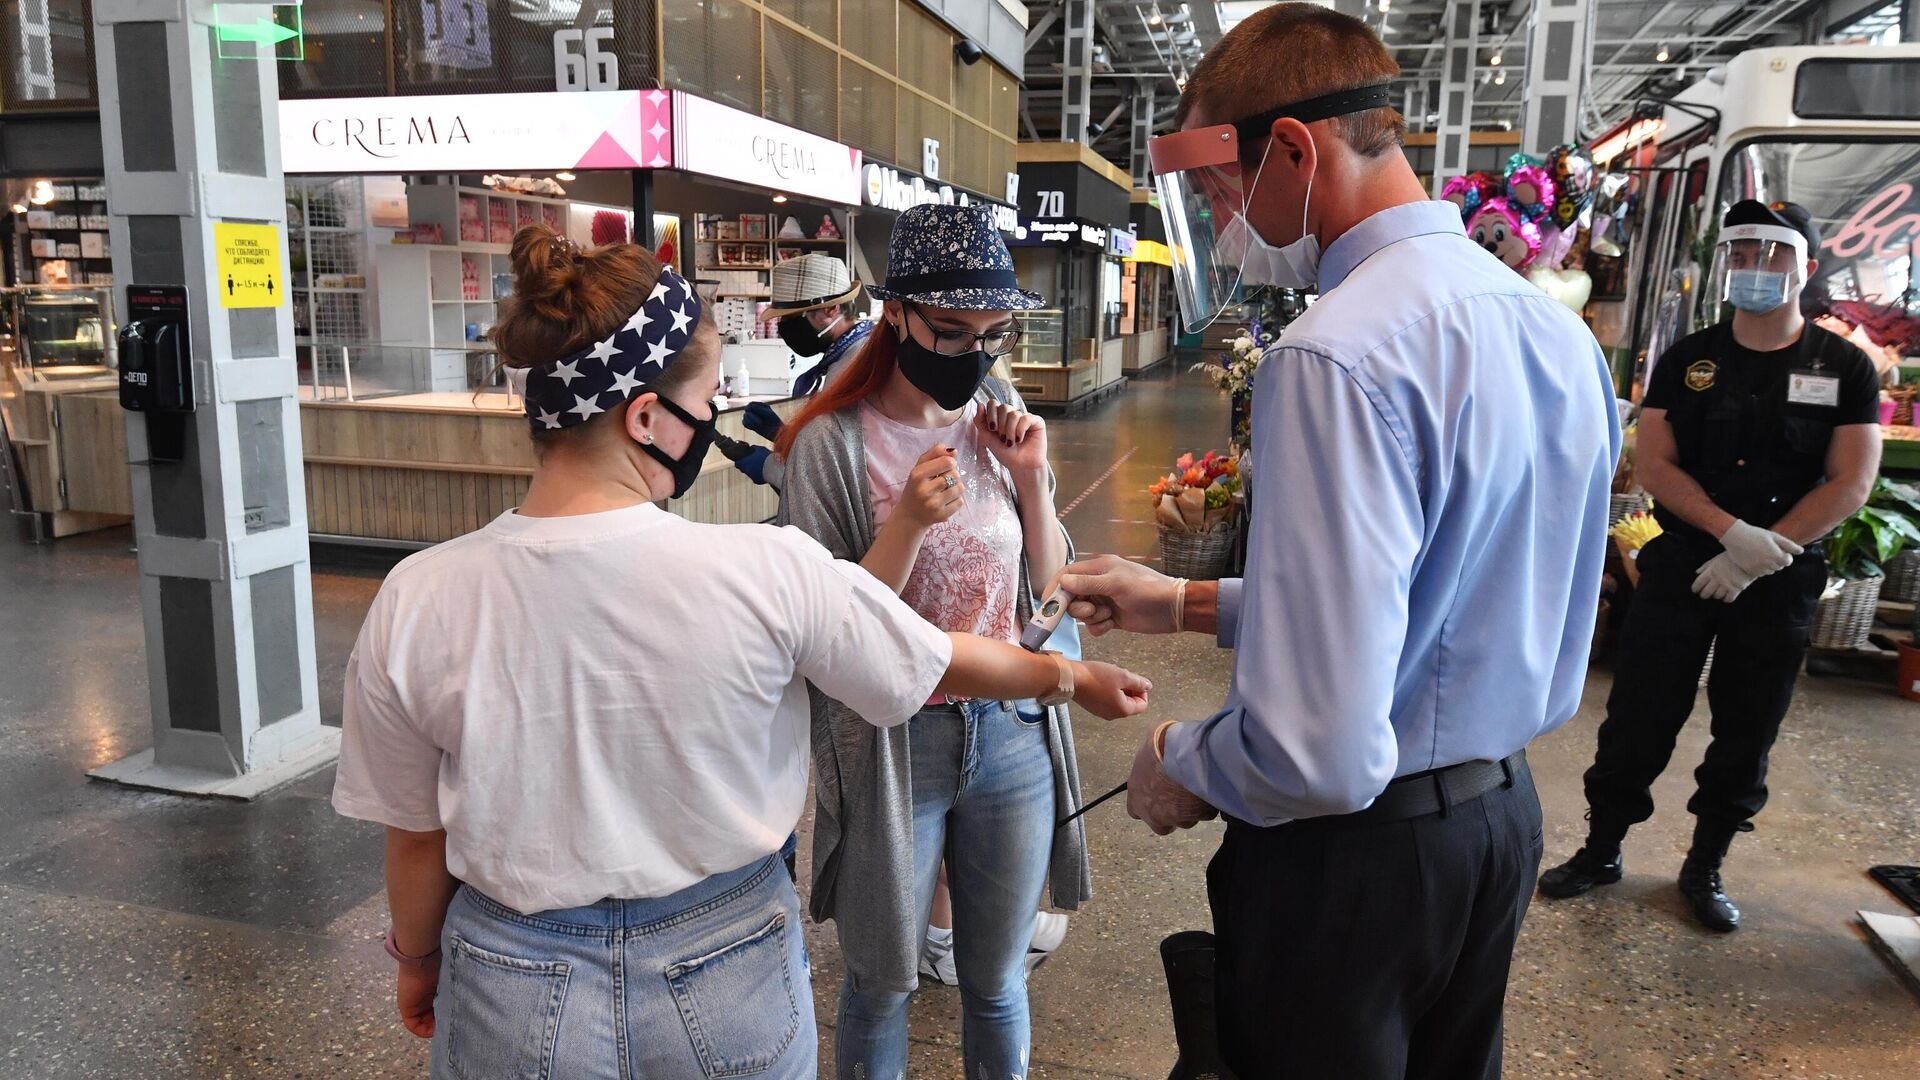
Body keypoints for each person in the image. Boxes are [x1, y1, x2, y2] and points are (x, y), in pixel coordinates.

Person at [330, 225, 1152, 1080]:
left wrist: (420, 961)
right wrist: (1067, 675)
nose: (713, 419)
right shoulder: (760, 571)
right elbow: (923, 655)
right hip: (725, 967)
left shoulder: (416, 596)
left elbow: (416, 838)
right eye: (708, 400)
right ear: (647, 416)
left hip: (508, 978)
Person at [1056, 7, 1620, 1078]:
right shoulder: (1549, 328)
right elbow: (1436, 605)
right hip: (1498, 825)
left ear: (1297, 150)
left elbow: (1316, 753)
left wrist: (1185, 759)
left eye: (1221, 191)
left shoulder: (1336, 355)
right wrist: (1178, 602)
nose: (1223, 222)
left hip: (1358, 866)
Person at [775, 202, 1086, 1079]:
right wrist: (906, 521)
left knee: (994, 977)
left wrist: (1032, 484)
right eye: (948, 330)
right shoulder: (830, 446)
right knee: (881, 980)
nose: (971, 354)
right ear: (895, 313)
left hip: (1013, 736)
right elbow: (829, 630)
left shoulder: (1000, 412)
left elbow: (1048, 583)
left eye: (990, 333)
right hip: (894, 744)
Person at [1539, 200, 1881, 931]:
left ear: (1807, 268)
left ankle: (1705, 867)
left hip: (1777, 577)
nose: (1758, 268)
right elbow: (1656, 463)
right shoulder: (1689, 358)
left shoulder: (1843, 366)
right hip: (1683, 566)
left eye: (1776, 254)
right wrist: (1728, 532)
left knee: (1747, 725)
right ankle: (1602, 850)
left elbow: (1851, 482)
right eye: (1745, 252)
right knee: (1638, 715)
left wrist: (1761, 553)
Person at [725, 252, 873, 489]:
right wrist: (783, 436)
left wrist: (769, 467)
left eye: (794, 318)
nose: (786, 328)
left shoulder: (855, 368)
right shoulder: (847, 356)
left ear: (831, 309)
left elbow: (835, 476)